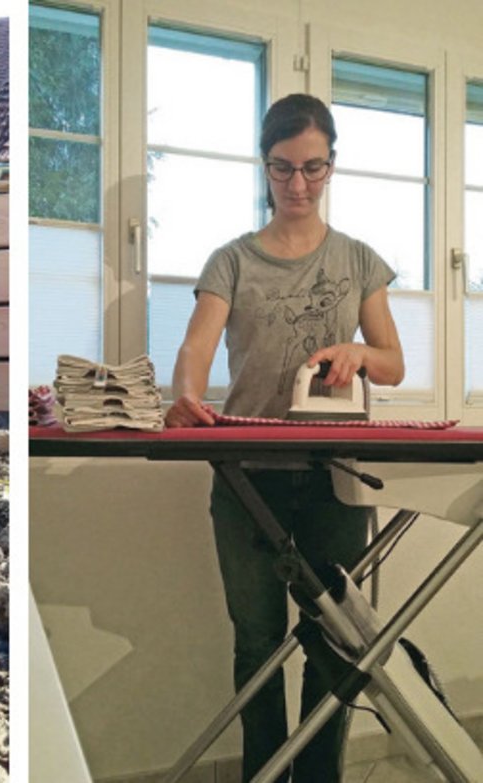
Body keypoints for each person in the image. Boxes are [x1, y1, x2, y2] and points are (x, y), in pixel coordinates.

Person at [165, 93, 404, 781]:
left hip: (335, 478)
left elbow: (393, 362)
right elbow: (197, 347)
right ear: (264, 166)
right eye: (282, 168)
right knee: (259, 643)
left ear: (331, 165)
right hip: (248, 477)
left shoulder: (359, 260)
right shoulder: (231, 262)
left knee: (335, 644)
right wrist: (187, 396)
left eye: (312, 168)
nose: (298, 184)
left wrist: (358, 354)